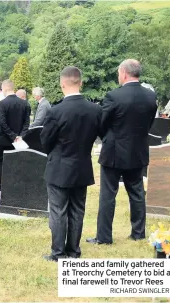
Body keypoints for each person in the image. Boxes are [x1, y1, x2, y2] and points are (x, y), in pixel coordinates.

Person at [87, 59, 158, 245]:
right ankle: (138, 232)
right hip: (138, 151)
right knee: (137, 193)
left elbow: (101, 123)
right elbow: (149, 124)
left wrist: (108, 139)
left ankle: (104, 237)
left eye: (119, 73)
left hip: (114, 152)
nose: (118, 76)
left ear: (124, 73)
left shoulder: (113, 96)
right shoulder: (151, 97)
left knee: (108, 195)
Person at [41, 67, 102, 261]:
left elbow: (45, 141)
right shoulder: (95, 110)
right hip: (82, 166)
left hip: (59, 166)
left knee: (58, 211)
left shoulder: (56, 111)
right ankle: (73, 251)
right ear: (80, 83)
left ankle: (58, 253)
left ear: (62, 84)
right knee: (77, 209)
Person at [0, 80, 31, 198]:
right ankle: (15, 184)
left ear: (4, 89)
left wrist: (12, 136)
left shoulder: (3, 103)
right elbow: (27, 122)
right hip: (18, 140)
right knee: (16, 163)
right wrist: (20, 136)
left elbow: (3, 123)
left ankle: (3, 184)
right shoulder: (25, 103)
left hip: (4, 138)